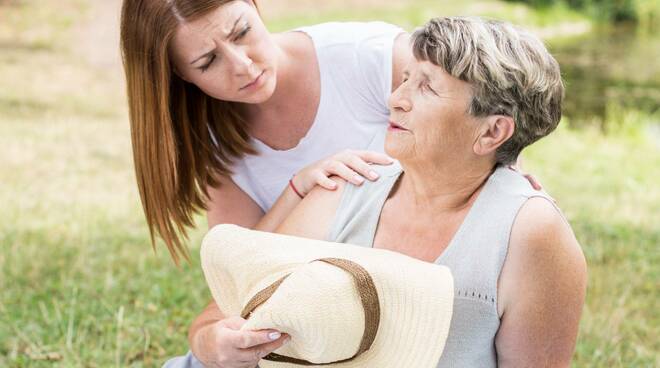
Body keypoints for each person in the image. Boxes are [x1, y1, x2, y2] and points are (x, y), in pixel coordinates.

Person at [271, 17, 588, 367]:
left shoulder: (530, 233)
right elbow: (251, 302)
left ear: (492, 132)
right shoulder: (346, 186)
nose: (396, 99)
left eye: (427, 88)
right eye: (405, 79)